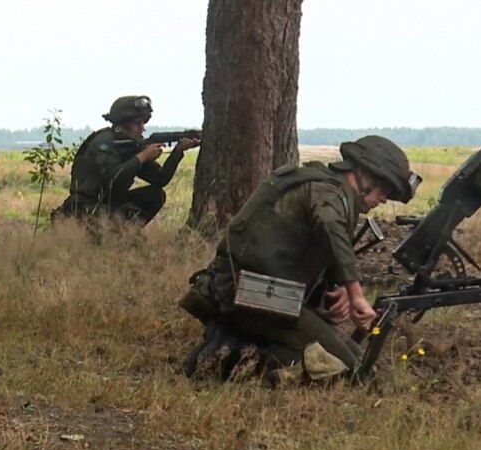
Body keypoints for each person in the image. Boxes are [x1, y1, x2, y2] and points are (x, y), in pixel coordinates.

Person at [179, 135, 418, 384]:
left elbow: (317, 247)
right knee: (344, 369)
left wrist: (337, 289)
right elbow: (329, 226)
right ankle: (223, 360)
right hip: (247, 293)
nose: (383, 199)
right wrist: (355, 292)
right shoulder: (325, 191)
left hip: (272, 296)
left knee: (355, 356)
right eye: (384, 189)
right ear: (363, 174)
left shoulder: (337, 195)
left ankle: (235, 344)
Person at [52, 95, 199, 227]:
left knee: (155, 195)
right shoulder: (104, 142)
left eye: (143, 122)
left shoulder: (131, 146)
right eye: (137, 123)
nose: (142, 128)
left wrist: (178, 151)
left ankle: (126, 234)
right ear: (121, 124)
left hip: (109, 205)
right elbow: (112, 177)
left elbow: (160, 179)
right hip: (86, 208)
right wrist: (142, 157)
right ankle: (117, 235)